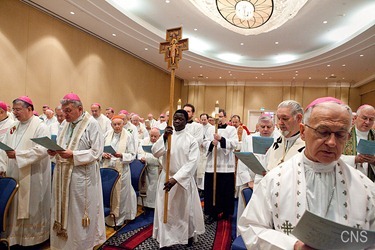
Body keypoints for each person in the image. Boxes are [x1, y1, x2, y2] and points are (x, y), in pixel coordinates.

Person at [238, 97, 375, 249]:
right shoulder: (275, 179)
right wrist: (293, 246)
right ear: (303, 132)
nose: (331, 142)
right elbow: (252, 227)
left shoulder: (366, 187)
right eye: (323, 132)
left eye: (340, 134)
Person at [48, 93, 105, 250]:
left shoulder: (92, 124)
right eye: (63, 111)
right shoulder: (65, 124)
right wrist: (54, 151)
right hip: (63, 175)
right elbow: (62, 145)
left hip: (82, 178)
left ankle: (80, 245)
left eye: (68, 111)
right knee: (65, 210)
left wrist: (74, 154)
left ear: (80, 109)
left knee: (77, 214)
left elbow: (97, 152)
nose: (64, 115)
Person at [0, 96, 51, 247]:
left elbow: (42, 150)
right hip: (14, 172)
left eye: (18, 109)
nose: (15, 113)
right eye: (14, 109)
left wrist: (19, 155)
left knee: (31, 206)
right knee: (15, 206)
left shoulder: (40, 126)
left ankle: (33, 239)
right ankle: (15, 238)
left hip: (34, 175)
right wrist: (3, 167)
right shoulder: (13, 126)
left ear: (29, 109)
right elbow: (4, 149)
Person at [152, 110, 205, 249]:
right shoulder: (168, 136)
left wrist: (176, 179)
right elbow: (155, 152)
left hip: (182, 180)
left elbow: (192, 163)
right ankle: (165, 239)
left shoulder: (191, 140)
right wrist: (163, 137)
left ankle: (185, 236)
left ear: (186, 121)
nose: (177, 121)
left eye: (180, 119)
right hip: (166, 176)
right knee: (166, 209)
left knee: (183, 211)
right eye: (175, 118)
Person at [235, 114, 280, 232]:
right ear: (258, 127)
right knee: (247, 211)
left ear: (274, 127)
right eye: (262, 126)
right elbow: (243, 159)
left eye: (268, 127)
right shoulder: (249, 139)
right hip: (250, 181)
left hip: (271, 182)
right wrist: (248, 180)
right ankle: (244, 234)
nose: (265, 129)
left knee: (266, 214)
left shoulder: (279, 140)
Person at [203, 108, 238, 224]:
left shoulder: (231, 129)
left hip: (226, 166)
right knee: (211, 191)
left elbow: (234, 143)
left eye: (221, 117)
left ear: (225, 117)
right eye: (217, 117)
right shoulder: (210, 129)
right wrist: (211, 143)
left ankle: (226, 212)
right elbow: (204, 142)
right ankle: (212, 213)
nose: (219, 119)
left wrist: (221, 139)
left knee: (225, 191)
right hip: (211, 165)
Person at [102, 115, 137, 226]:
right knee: (109, 194)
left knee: (120, 195)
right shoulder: (107, 134)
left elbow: (132, 154)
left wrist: (121, 155)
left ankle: (119, 219)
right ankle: (108, 218)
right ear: (111, 125)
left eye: (119, 124)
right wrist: (103, 154)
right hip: (108, 167)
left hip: (122, 168)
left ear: (123, 124)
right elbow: (100, 149)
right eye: (114, 124)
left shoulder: (128, 136)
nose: (117, 126)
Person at [265, 100, 305, 171]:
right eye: (278, 118)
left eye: (285, 118)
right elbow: (265, 166)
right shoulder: (277, 142)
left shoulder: (308, 145)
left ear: (298, 118)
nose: (280, 123)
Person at [342, 104, 375, 182]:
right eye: (364, 118)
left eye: (371, 119)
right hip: (348, 181)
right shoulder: (343, 135)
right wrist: (355, 159)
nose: (367, 122)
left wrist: (373, 161)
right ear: (355, 118)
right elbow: (335, 158)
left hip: (370, 182)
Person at [138, 127, 161, 208]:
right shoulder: (145, 141)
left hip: (155, 169)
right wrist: (142, 157)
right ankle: (144, 203)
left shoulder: (162, 143)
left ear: (159, 136)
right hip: (144, 167)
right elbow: (140, 152)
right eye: (151, 136)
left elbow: (160, 159)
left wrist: (147, 158)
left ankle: (153, 205)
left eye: (155, 136)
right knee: (145, 185)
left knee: (153, 187)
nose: (153, 138)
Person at [197, 113, 212, 190]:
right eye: (202, 120)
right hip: (199, 150)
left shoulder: (211, 128)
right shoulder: (198, 127)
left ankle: (203, 188)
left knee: (203, 169)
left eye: (204, 120)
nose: (203, 121)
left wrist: (205, 143)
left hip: (206, 151)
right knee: (199, 169)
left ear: (208, 119)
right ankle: (198, 187)